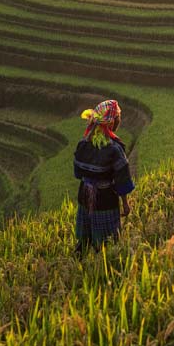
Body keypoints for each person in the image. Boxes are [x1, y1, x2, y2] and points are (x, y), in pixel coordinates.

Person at [73, 99, 134, 254]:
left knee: (85, 235)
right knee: (105, 241)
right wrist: (125, 203)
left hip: (84, 194)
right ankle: (102, 267)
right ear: (112, 123)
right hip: (104, 197)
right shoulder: (114, 148)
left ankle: (80, 258)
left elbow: (77, 172)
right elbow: (122, 177)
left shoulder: (83, 144)